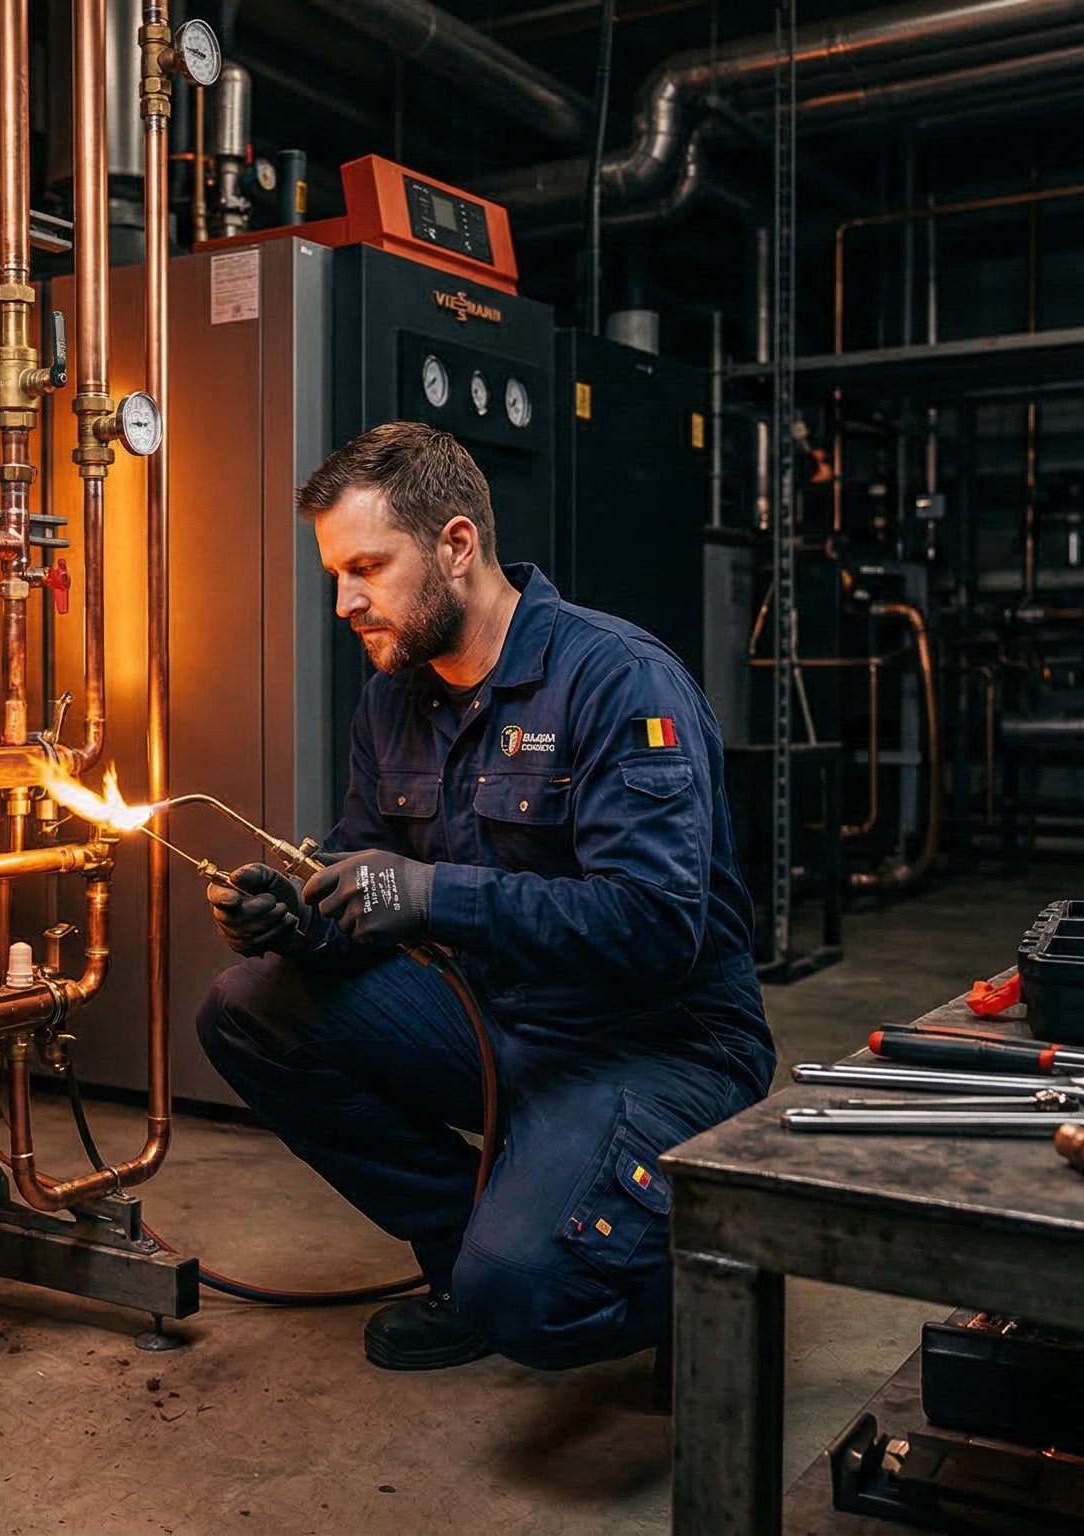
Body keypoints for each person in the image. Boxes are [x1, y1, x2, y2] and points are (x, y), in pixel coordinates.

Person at [196, 421, 774, 1375]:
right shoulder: (393, 702)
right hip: (497, 1017)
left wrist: (431, 896)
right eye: (337, 573)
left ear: (456, 546)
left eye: (369, 568)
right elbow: (370, 897)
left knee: (531, 1301)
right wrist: (300, 923)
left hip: (655, 1042)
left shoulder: (617, 681)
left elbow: (658, 927)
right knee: (251, 1006)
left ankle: (711, 1268)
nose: (346, 601)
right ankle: (464, 1259)